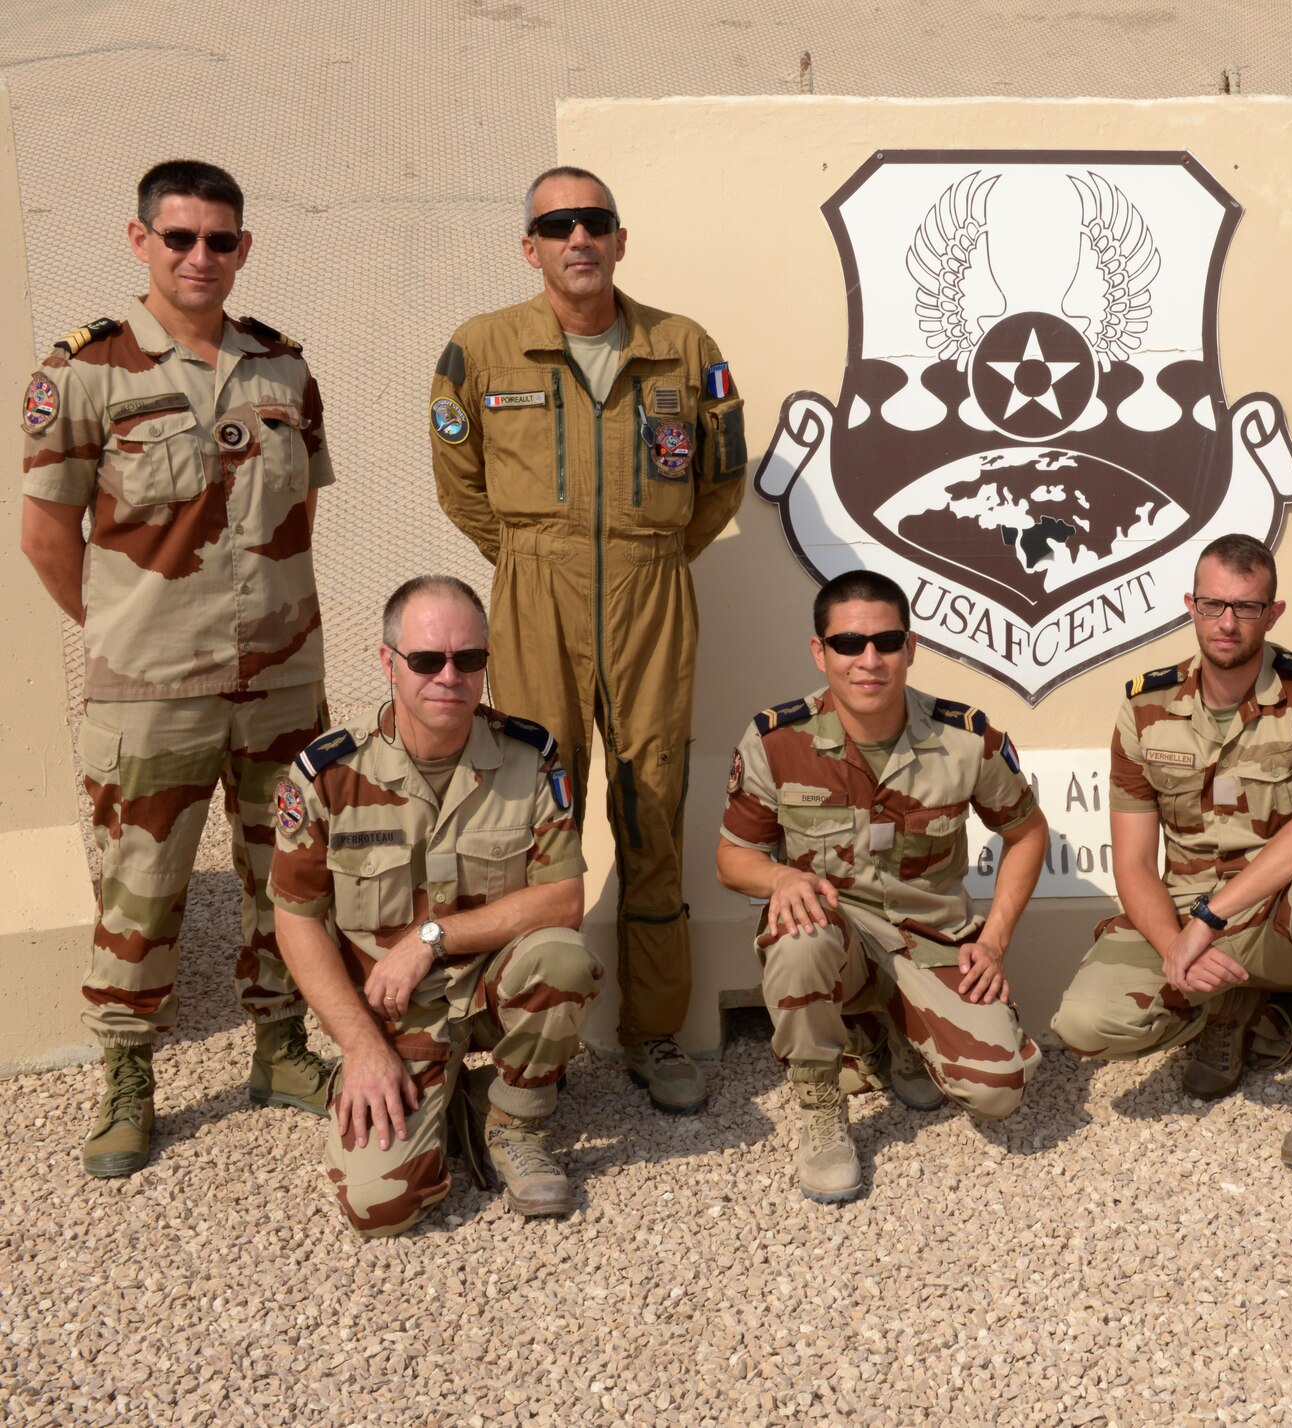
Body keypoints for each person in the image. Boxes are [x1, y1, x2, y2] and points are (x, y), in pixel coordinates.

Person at [19, 160, 335, 1177]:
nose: (201, 257)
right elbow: (44, 536)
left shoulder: (283, 369)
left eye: (221, 240)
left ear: (244, 247)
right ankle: (127, 1075)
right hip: (149, 688)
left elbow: (299, 515)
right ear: (140, 240)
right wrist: (123, 626)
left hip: (282, 679)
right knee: (143, 887)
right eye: (180, 238)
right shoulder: (86, 372)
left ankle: (282, 1050)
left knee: (287, 874)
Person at [430, 166, 747, 1115]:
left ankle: (654, 1032)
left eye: (595, 221)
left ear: (619, 238)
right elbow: (460, 483)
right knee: (535, 811)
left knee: (653, 805)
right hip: (533, 592)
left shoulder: (681, 348)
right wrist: (533, 559)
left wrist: (651, 555)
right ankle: (539, 1038)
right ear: (529, 245)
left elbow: (719, 482)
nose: (578, 238)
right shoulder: (482, 349)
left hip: (653, 588)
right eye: (557, 224)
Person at [270, 577, 600, 1236]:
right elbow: (296, 920)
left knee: (563, 957)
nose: (449, 676)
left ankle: (513, 1123)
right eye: (426, 660)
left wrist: (431, 937)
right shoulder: (330, 776)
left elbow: (563, 900)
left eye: (468, 660)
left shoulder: (529, 758)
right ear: (388, 662)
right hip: (394, 1012)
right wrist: (361, 1047)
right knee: (381, 1210)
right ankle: (448, 1099)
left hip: (487, 990)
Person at [1050, 535, 1292, 1171]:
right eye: (1214, 604)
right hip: (1187, 906)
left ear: (1273, 613)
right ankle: (1228, 1008)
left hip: (1280, 905)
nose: (1228, 622)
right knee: (1084, 1023)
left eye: (1247, 607)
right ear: (1191, 606)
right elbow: (1132, 863)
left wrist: (1206, 924)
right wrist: (1177, 940)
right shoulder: (1145, 706)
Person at [715, 571, 1046, 1202]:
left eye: (886, 642)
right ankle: (819, 1106)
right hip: (836, 935)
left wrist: (995, 939)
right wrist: (783, 875)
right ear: (820, 652)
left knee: (998, 1089)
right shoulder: (777, 741)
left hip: (932, 941)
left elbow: (1028, 834)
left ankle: (889, 1036)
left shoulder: (964, 740)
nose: (869, 660)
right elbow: (733, 858)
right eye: (848, 644)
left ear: (910, 647)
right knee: (797, 934)